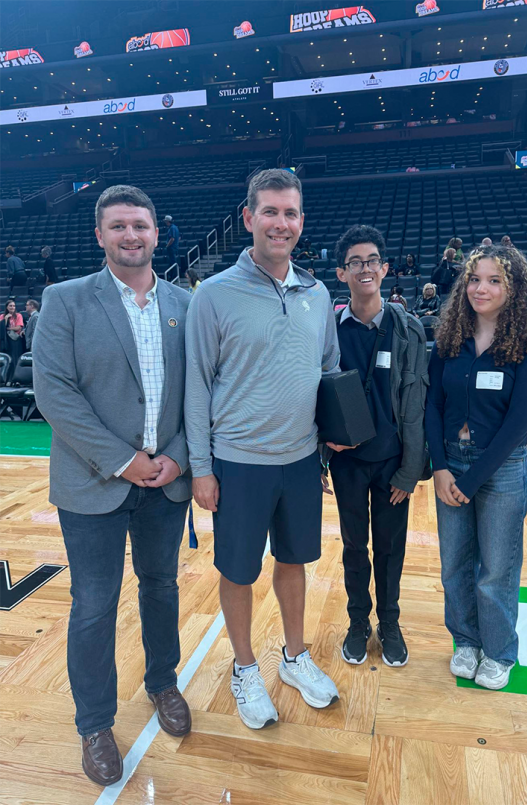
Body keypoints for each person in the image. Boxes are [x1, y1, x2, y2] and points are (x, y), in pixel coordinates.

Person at [32, 184, 194, 786]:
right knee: (94, 606)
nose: (132, 235)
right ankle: (94, 723)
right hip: (93, 483)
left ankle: (163, 683)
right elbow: (55, 394)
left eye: (141, 226)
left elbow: (201, 391)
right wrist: (124, 461)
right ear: (100, 236)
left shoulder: (185, 303)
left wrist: (176, 458)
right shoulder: (65, 299)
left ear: (158, 233)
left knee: (162, 588)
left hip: (167, 483)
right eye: (119, 226)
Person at [185, 168, 340, 731]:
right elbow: (197, 385)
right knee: (238, 570)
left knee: (295, 562)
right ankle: (245, 667)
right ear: (248, 218)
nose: (282, 223)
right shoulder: (215, 294)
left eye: (291, 213)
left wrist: (327, 445)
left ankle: (294, 658)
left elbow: (328, 372)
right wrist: (202, 468)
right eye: (270, 212)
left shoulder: (319, 293)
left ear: (301, 221)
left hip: (300, 461)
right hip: (238, 463)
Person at [426, 245, 527, 690]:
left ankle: (499, 651)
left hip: (500, 470)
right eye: (475, 279)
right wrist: (440, 467)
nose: (481, 288)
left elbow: (519, 424)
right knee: (454, 564)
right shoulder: (450, 338)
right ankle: (466, 641)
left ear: (513, 288)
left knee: (496, 568)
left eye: (494, 280)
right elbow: (433, 403)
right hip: (449, 464)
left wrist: (473, 479)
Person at [324, 224, 429, 667]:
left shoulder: (409, 329)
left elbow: (417, 404)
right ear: (341, 272)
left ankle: (390, 622)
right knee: (353, 547)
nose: (364, 269)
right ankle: (357, 622)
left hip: (391, 465)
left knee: (390, 547)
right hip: (348, 464)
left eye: (371, 261)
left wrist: (410, 469)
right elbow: (313, 397)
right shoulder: (328, 330)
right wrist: (324, 450)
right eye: (354, 263)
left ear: (384, 269)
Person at [2, 299, 24, 365]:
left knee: (15, 357)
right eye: (10, 306)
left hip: (15, 340)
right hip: (6, 340)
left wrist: (8, 328)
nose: (12, 307)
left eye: (14, 306)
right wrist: (5, 319)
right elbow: (1, 327)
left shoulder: (18, 315)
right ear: (7, 307)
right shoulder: (2, 316)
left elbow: (18, 327)